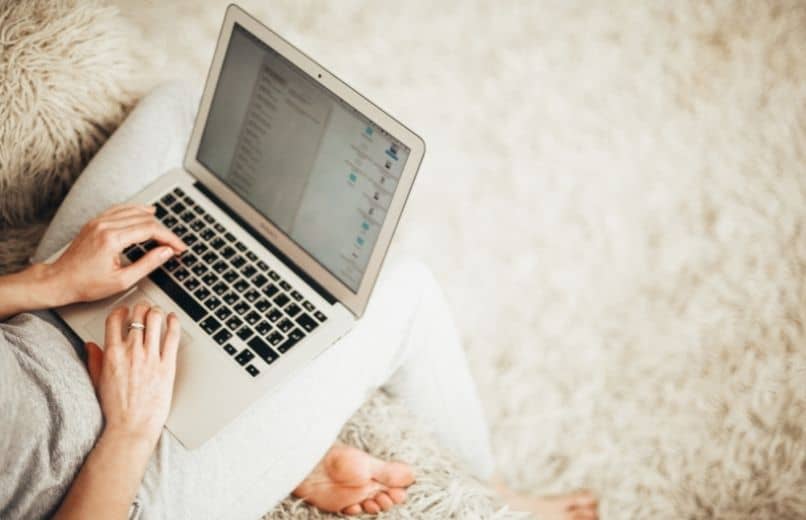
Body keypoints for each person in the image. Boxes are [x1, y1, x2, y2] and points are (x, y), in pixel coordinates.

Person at [0, 82, 599, 520]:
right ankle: (499, 494)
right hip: (122, 477)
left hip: (46, 320)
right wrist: (132, 429)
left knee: (180, 106)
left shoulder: (52, 292)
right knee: (407, 293)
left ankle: (253, 284)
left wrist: (54, 282)